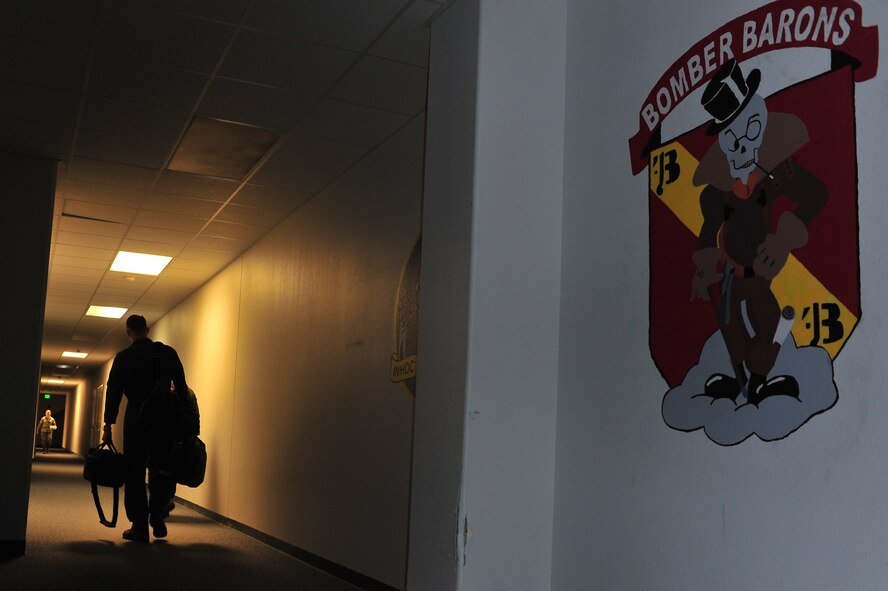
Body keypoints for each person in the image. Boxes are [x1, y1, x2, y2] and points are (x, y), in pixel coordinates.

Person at [102, 314, 188, 542]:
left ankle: (139, 525)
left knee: (135, 471)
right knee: (161, 468)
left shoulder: (124, 357)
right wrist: (184, 421)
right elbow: (182, 388)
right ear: (147, 330)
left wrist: (108, 423)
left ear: (128, 332)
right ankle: (158, 510)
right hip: (164, 420)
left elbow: (114, 392)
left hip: (136, 420)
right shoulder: (168, 353)